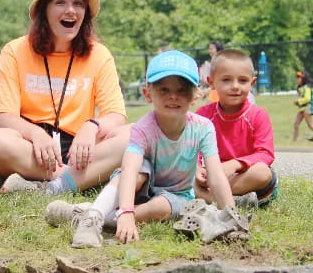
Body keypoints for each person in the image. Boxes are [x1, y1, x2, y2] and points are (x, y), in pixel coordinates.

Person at [46, 50, 236, 248]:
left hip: (177, 195)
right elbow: (130, 170)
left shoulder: (203, 128)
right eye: (163, 89)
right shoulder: (143, 129)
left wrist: (230, 213)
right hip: (140, 188)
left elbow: (215, 175)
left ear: (195, 95)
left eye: (182, 90)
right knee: (139, 170)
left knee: (161, 206)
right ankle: (92, 218)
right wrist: (126, 210)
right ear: (148, 93)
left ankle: (96, 213)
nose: (173, 96)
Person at [0, 0, 129, 195]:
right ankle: (76, 180)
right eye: (60, 2)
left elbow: (116, 115)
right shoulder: (15, 50)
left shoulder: (99, 54)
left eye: (78, 4)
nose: (71, 11)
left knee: (135, 134)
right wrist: (36, 134)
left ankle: (48, 185)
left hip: (81, 148)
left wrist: (92, 126)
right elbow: (4, 115)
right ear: (44, 11)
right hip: (31, 147)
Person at [194, 49, 277, 208]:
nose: (235, 86)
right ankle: (227, 201)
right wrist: (197, 169)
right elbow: (192, 149)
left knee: (262, 172)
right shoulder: (202, 116)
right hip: (211, 177)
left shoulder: (258, 115)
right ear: (211, 82)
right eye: (226, 80)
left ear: (252, 83)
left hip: (244, 177)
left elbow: (265, 154)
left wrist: (234, 165)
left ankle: (213, 198)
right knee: (184, 175)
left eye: (243, 80)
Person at [292, 70, 313, 142]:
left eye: (299, 77)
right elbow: (301, 97)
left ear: (303, 79)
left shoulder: (307, 87)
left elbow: (307, 98)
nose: (297, 79)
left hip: (308, 107)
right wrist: (297, 102)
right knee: (296, 123)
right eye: (297, 77)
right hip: (302, 108)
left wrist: (298, 101)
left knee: (310, 124)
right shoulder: (299, 88)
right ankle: (295, 139)